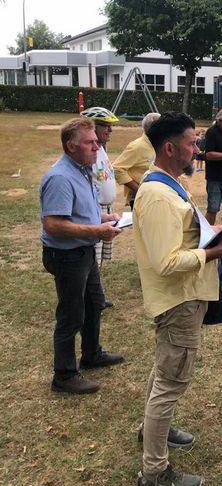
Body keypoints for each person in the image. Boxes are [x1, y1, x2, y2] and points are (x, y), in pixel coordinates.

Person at [134, 112, 222, 486]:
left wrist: (215, 239)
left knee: (164, 370)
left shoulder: (170, 184)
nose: (199, 149)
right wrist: (213, 253)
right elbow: (167, 261)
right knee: (171, 380)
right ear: (170, 148)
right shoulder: (159, 195)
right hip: (178, 300)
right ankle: (154, 473)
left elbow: (185, 238)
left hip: (185, 297)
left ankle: (151, 433)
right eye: (193, 143)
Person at [40, 117, 124, 395]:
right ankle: (63, 375)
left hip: (83, 250)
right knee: (71, 314)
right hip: (67, 255)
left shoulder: (82, 169)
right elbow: (53, 224)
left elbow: (79, 211)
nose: (97, 146)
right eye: (90, 142)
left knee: (94, 303)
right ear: (71, 146)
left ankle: (91, 353)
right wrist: (96, 230)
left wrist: (105, 218)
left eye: (96, 141)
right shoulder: (60, 177)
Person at [83, 107, 120, 306]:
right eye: (105, 126)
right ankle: (89, 298)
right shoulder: (88, 153)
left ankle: (95, 296)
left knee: (99, 259)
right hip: (95, 210)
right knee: (92, 259)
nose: (110, 130)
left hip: (106, 209)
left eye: (111, 126)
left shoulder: (101, 149)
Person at [113, 112, 162, 207]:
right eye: (163, 125)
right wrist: (139, 189)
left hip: (157, 197)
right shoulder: (137, 146)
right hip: (141, 200)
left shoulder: (159, 145)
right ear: (154, 129)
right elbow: (117, 169)